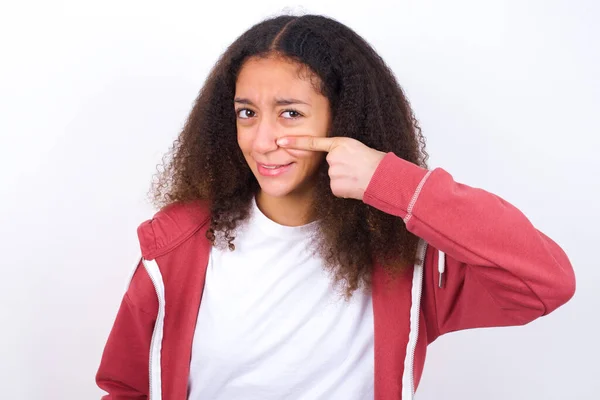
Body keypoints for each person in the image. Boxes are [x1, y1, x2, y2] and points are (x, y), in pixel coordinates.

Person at [95, 14, 576, 400]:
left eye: (290, 113)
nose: (262, 141)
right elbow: (126, 387)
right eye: (247, 113)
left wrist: (393, 182)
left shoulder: (406, 257)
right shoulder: (176, 246)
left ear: (341, 119)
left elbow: (544, 281)